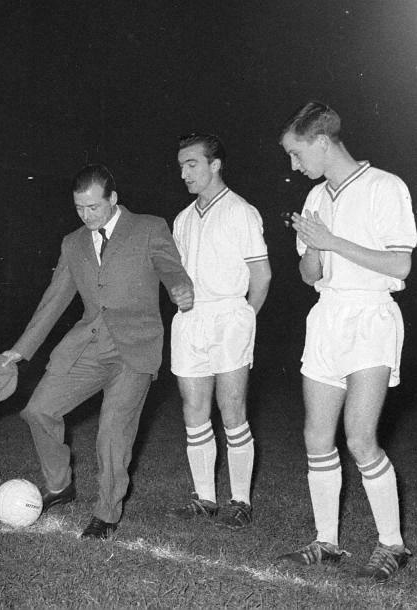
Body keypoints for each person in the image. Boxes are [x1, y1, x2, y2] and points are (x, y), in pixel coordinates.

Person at [1, 164, 194, 539]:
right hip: (88, 345)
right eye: (79, 208)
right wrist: (21, 350)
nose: (87, 215)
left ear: (113, 199)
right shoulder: (73, 243)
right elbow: (54, 300)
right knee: (39, 409)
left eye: (94, 207)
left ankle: (106, 513)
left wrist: (179, 287)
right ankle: (59, 485)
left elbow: (170, 268)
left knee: (112, 433)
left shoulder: (149, 228)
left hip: (135, 349)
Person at [276, 102, 417, 583]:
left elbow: (400, 265)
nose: (294, 164)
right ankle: (327, 542)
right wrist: (315, 247)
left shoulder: (385, 186)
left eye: (297, 153)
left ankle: (392, 544)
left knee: (359, 436)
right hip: (327, 316)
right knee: (316, 436)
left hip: (371, 316)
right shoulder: (316, 197)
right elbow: (308, 274)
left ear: (321, 142)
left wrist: (332, 241)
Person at [166, 133, 271, 530]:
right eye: (181, 166)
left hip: (229, 315)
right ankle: (205, 499)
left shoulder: (241, 211)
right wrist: (178, 293)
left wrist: (245, 318)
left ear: (215, 165)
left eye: (192, 164)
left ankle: (240, 500)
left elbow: (262, 276)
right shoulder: (182, 218)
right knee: (194, 410)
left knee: (232, 409)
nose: (184, 173)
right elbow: (178, 275)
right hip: (190, 319)